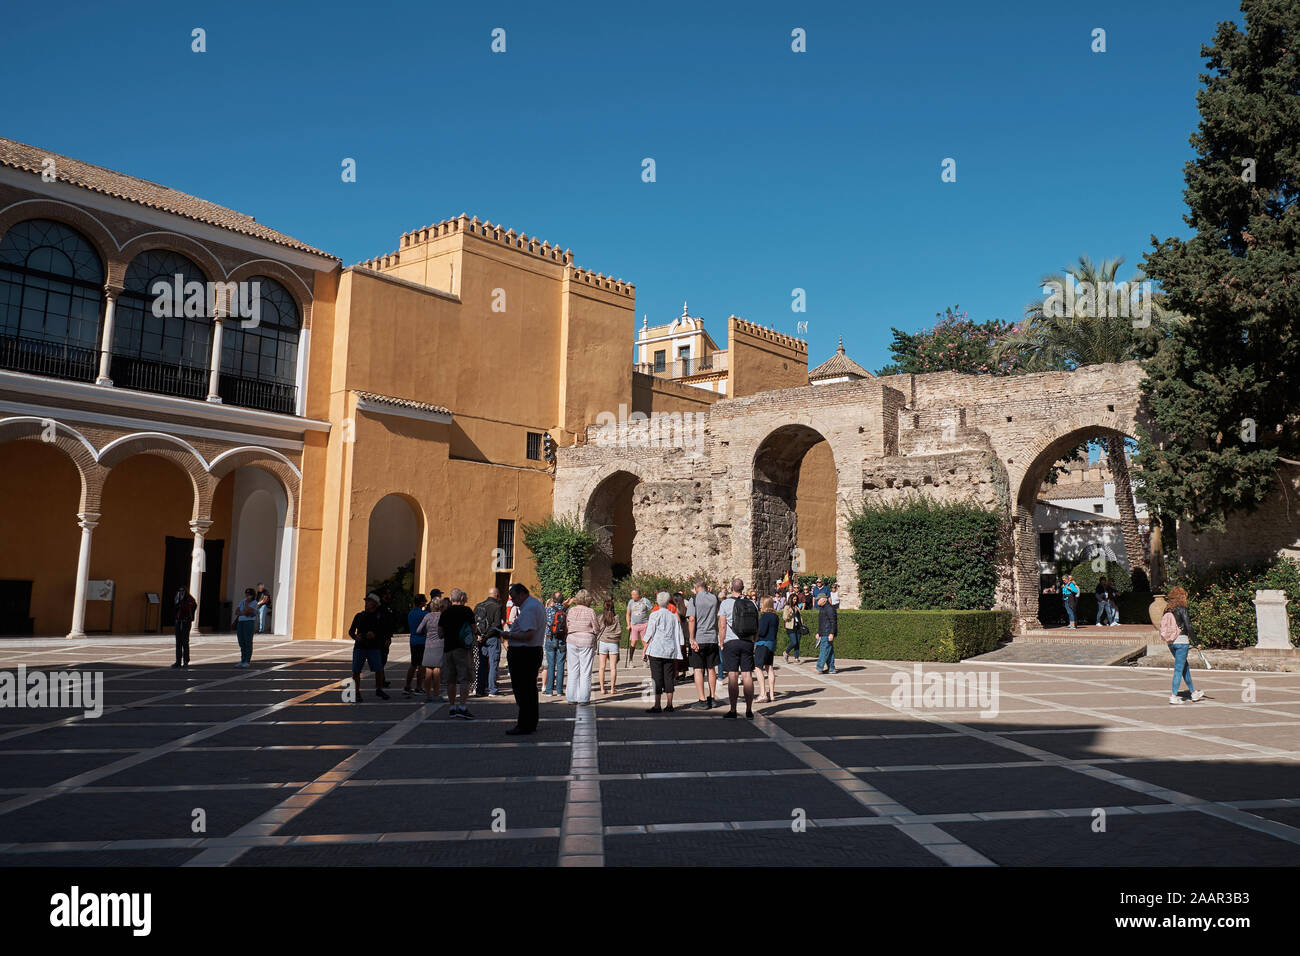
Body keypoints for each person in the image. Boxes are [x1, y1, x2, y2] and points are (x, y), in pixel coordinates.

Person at [505, 584, 545, 735]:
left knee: (523, 690)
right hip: (531, 651)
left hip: (524, 652)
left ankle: (524, 724)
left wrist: (508, 635)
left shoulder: (529, 608)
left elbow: (528, 635)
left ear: (522, 594)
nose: (513, 602)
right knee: (528, 689)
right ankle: (529, 722)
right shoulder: (535, 604)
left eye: (514, 598)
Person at [718, 578, 758, 719]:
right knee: (747, 675)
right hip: (747, 641)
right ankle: (749, 710)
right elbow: (756, 625)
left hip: (731, 642)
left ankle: (733, 709)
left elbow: (722, 625)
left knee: (733, 675)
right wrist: (753, 641)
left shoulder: (725, 603)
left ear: (731, 588)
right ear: (743, 588)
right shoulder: (751, 603)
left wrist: (721, 642)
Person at [1161, 586, 1205, 705]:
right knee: (1179, 669)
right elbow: (1188, 625)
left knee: (1184, 667)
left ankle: (1193, 692)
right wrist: (1197, 642)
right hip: (1181, 641)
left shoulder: (1167, 609)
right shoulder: (1182, 608)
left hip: (1171, 643)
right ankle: (1174, 696)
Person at [438, 588, 478, 719]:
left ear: (451, 599)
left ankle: (451, 707)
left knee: (451, 680)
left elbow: (440, 634)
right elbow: (474, 629)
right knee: (464, 679)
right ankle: (462, 707)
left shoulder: (445, 613)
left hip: (448, 649)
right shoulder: (467, 611)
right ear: (461, 598)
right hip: (462, 649)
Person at [642, 590, 683, 713]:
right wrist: (680, 647)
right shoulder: (673, 616)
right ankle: (670, 704)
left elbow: (649, 633)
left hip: (656, 649)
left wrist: (645, 647)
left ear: (658, 602)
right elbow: (678, 633)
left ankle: (657, 704)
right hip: (669, 649)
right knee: (669, 676)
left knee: (656, 677)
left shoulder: (654, 615)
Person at [347, 593, 390, 700]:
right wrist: (356, 637)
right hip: (360, 647)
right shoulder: (359, 616)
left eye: (369, 601)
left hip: (374, 647)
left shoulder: (380, 617)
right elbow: (351, 631)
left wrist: (376, 635)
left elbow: (385, 632)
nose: (366, 603)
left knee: (379, 669)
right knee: (356, 670)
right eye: (366, 601)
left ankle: (379, 690)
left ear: (375, 604)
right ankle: (356, 692)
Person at [687, 579, 721, 709]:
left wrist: (691, 638)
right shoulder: (714, 598)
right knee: (711, 668)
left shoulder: (694, 599)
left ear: (695, 587)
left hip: (699, 638)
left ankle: (702, 700)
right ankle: (712, 697)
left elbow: (691, 619)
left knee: (698, 669)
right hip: (712, 637)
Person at [565, 590, 599, 704]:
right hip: (586, 641)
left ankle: (571, 698)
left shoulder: (571, 610)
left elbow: (568, 625)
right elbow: (596, 628)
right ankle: (584, 699)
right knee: (585, 671)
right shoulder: (590, 611)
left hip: (572, 640)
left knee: (572, 670)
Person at [473, 588, 506, 697]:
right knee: (493, 663)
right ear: (497, 595)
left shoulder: (478, 605)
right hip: (492, 638)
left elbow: (474, 622)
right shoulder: (497, 607)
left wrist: (479, 636)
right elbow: (496, 624)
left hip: (480, 638)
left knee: (482, 664)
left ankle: (480, 689)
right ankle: (492, 689)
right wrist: (486, 636)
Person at [416, 597, 444, 701]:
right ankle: (436, 694)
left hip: (428, 645)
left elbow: (418, 630)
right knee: (437, 671)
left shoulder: (427, 616)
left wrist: (426, 633)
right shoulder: (442, 616)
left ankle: (428, 695)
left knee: (428, 671)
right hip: (440, 644)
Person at [754, 596, 779, 702]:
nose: (760, 605)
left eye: (761, 603)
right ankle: (772, 694)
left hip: (763, 643)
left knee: (757, 667)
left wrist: (755, 633)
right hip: (772, 643)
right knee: (769, 667)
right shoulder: (775, 616)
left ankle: (763, 693)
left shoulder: (765, 616)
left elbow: (762, 631)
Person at [404, 594, 429, 697]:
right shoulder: (424, 614)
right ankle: (418, 687)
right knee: (422, 665)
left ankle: (407, 686)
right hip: (422, 641)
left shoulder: (410, 613)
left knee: (413, 664)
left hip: (413, 640)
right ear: (422, 603)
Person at [595, 600, 622, 694]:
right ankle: (612, 689)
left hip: (603, 642)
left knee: (602, 667)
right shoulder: (616, 618)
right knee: (613, 667)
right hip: (613, 643)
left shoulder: (601, 617)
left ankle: (602, 689)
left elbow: (597, 630)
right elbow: (619, 631)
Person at [544, 592, 568, 697]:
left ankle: (549, 690)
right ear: (563, 600)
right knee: (561, 664)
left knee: (550, 665)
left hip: (550, 638)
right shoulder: (566, 610)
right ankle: (559, 690)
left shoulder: (548, 610)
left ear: (552, 599)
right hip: (562, 639)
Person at [172, 586, 196, 668]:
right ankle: (178, 661)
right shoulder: (177, 598)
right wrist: (177, 601)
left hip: (186, 622)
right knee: (178, 642)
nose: (181, 592)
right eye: (180, 591)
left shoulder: (190, 599)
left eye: (182, 591)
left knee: (185, 641)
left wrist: (182, 601)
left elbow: (190, 608)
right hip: (178, 621)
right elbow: (175, 608)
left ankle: (186, 660)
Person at [625, 589, 651, 666]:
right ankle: (630, 660)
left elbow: (652, 610)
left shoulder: (645, 601)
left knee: (645, 643)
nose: (632, 596)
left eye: (633, 595)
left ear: (638, 595)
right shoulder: (631, 602)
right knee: (633, 642)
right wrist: (628, 624)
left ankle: (645, 660)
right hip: (634, 625)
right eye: (631, 594)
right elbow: (628, 614)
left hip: (644, 624)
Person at [234, 587, 258, 667]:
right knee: (241, 641)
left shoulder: (254, 602)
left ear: (252, 595)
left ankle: (247, 661)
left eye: (249, 594)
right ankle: (242, 660)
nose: (247, 596)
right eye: (246, 594)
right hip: (241, 622)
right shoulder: (242, 601)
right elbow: (237, 612)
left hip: (249, 623)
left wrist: (247, 604)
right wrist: (244, 612)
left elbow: (248, 611)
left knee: (248, 641)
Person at [815, 593, 838, 675]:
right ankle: (831, 668)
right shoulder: (823, 608)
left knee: (824, 650)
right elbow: (822, 622)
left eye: (818, 599)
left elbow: (833, 622)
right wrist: (818, 632)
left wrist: (831, 633)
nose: (817, 601)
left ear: (823, 600)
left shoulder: (829, 608)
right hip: (824, 633)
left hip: (827, 633)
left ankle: (819, 668)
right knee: (830, 651)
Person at [782, 594, 804, 663]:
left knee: (797, 643)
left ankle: (796, 658)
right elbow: (785, 618)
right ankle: (786, 652)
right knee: (794, 642)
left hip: (798, 626)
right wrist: (789, 613)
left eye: (796, 599)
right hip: (790, 627)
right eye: (794, 599)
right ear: (791, 599)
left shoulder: (796, 606)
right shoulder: (787, 607)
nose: (795, 601)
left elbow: (799, 617)